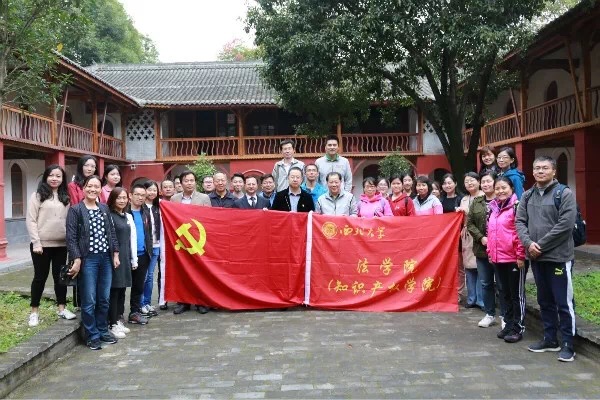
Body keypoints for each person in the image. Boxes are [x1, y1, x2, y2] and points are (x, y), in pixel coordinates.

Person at [516, 156, 578, 362]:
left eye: (544, 168)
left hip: (558, 257)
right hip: (536, 258)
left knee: (563, 302)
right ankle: (550, 339)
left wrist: (540, 246)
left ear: (554, 171)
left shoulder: (564, 194)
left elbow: (565, 225)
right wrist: (528, 244)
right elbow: (519, 222)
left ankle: (568, 344)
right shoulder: (527, 195)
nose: (540, 171)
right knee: (544, 301)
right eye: (537, 168)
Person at [66, 175, 120, 350]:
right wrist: (77, 259)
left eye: (96, 187)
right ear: (83, 188)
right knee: (89, 299)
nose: (93, 189)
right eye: (89, 186)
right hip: (88, 259)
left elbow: (111, 233)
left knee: (104, 298)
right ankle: (92, 335)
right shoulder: (75, 210)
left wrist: (116, 254)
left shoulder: (104, 208)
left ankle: (103, 330)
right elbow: (71, 238)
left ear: (100, 190)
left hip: (106, 258)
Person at [26, 165, 76, 327]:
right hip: (41, 246)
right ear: (46, 177)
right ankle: (34, 312)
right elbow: (31, 220)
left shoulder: (66, 197)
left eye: (58, 176)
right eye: (51, 175)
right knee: (40, 278)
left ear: (62, 179)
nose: (54, 178)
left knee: (60, 278)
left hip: (61, 245)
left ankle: (62, 308)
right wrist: (36, 242)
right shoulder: (37, 196)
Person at [487, 176, 526, 344]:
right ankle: (509, 325)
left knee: (517, 294)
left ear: (511, 189)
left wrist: (520, 255)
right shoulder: (493, 208)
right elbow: (490, 232)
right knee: (505, 294)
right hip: (498, 258)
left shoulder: (517, 207)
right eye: (497, 188)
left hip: (514, 259)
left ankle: (518, 328)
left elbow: (520, 233)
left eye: (504, 188)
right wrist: (490, 252)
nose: (500, 191)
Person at [468, 172, 507, 329]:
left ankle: (505, 315)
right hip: (482, 250)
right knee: (485, 283)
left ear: (495, 183)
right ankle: (489, 313)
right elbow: (470, 224)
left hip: (501, 250)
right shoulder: (476, 202)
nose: (485, 184)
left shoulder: (503, 201)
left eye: (488, 181)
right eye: (483, 182)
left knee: (502, 284)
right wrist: (481, 238)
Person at [170, 171, 212, 315]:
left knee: (200, 272)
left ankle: (202, 301)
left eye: (192, 180)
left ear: (195, 182)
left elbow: (209, 219)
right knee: (183, 272)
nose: (189, 183)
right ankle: (184, 302)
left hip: (199, 241)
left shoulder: (204, 198)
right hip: (181, 242)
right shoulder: (174, 198)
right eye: (186, 180)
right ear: (181, 183)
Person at [106, 187, 136, 339]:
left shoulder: (125, 215)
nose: (122, 201)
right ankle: (111, 323)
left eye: (124, 198)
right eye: (119, 198)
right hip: (115, 257)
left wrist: (132, 258)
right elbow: (110, 238)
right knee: (114, 290)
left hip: (125, 256)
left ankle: (118, 320)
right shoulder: (109, 216)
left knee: (122, 290)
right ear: (113, 199)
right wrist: (114, 255)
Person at [126, 183, 153, 326]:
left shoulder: (145, 212)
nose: (140, 198)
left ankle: (134, 313)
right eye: (137, 194)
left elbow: (149, 233)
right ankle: (117, 315)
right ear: (130, 195)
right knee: (120, 286)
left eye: (143, 195)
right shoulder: (123, 212)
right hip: (126, 256)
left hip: (143, 254)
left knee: (138, 286)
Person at [459, 172, 484, 309]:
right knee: (468, 266)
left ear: (479, 181)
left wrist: (466, 211)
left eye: (472, 180)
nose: (469, 183)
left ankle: (481, 299)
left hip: (480, 234)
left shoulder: (484, 196)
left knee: (480, 266)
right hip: (466, 235)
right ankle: (471, 298)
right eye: (467, 181)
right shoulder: (464, 199)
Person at [140, 180, 161, 318]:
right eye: (150, 189)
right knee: (143, 276)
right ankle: (140, 303)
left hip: (156, 245)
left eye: (155, 190)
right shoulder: (140, 207)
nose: (152, 192)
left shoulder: (158, 207)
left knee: (150, 276)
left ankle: (147, 303)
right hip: (144, 247)